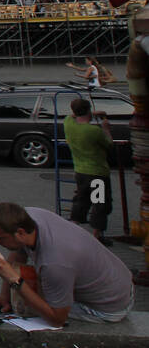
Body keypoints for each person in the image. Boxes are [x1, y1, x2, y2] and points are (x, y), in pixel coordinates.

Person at [0, 202, 134, 325]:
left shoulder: (54, 263)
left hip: (110, 307)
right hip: (120, 282)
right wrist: (4, 297)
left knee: (25, 306)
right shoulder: (29, 216)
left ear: (21, 233)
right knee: (28, 292)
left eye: (1, 238)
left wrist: (15, 281)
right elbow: (18, 253)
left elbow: (57, 319)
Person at [63, 98, 114, 244]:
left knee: (81, 201)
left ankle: (73, 230)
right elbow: (109, 145)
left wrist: (90, 112)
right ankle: (97, 236)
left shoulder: (68, 124)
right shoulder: (94, 131)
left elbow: (72, 116)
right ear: (88, 110)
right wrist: (106, 129)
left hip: (80, 172)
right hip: (97, 173)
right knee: (99, 204)